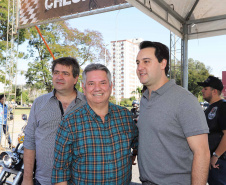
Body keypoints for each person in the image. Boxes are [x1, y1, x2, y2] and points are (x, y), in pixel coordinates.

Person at [136, 41, 210, 185]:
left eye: (146, 61)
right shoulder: (145, 100)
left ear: (163, 64)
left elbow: (202, 152)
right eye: (138, 62)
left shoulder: (184, 100)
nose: (140, 67)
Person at [52, 63, 138, 185]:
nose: (97, 88)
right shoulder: (69, 123)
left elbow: (139, 143)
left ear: (111, 86)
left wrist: (133, 154)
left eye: (102, 83)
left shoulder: (125, 116)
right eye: (91, 83)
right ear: (84, 88)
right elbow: (60, 173)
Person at [22, 57, 86, 185]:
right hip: (44, 180)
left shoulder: (88, 104)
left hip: (80, 180)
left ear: (75, 78)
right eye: (56, 72)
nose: (59, 77)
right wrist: (27, 178)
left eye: (65, 73)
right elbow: (29, 141)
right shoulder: (39, 103)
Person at [197, 76, 226, 185]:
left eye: (205, 88)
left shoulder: (223, 107)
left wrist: (216, 156)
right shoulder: (210, 108)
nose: (202, 90)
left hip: (220, 162)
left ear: (214, 91)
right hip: (212, 161)